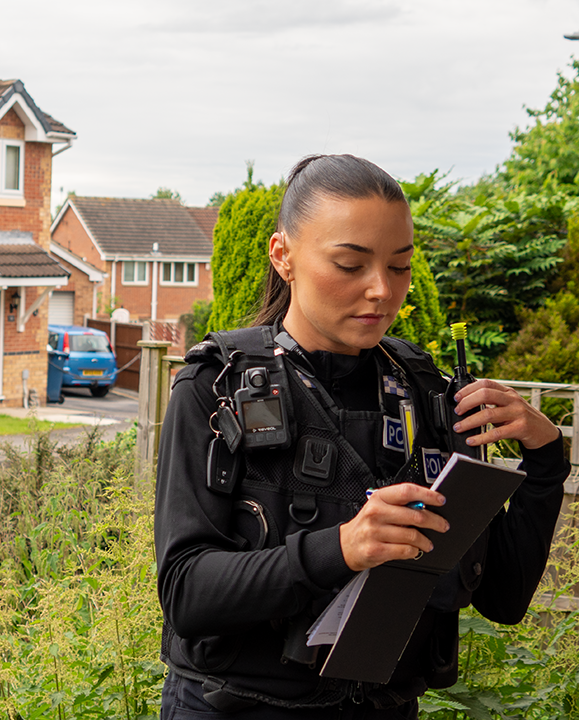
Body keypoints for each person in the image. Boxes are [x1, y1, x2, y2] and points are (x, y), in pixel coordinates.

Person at [154, 154, 567, 719]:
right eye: (350, 264)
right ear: (284, 256)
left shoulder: (426, 394)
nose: (381, 291)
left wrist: (545, 461)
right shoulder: (216, 386)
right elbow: (185, 593)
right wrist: (342, 548)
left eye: (400, 267)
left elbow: (503, 596)